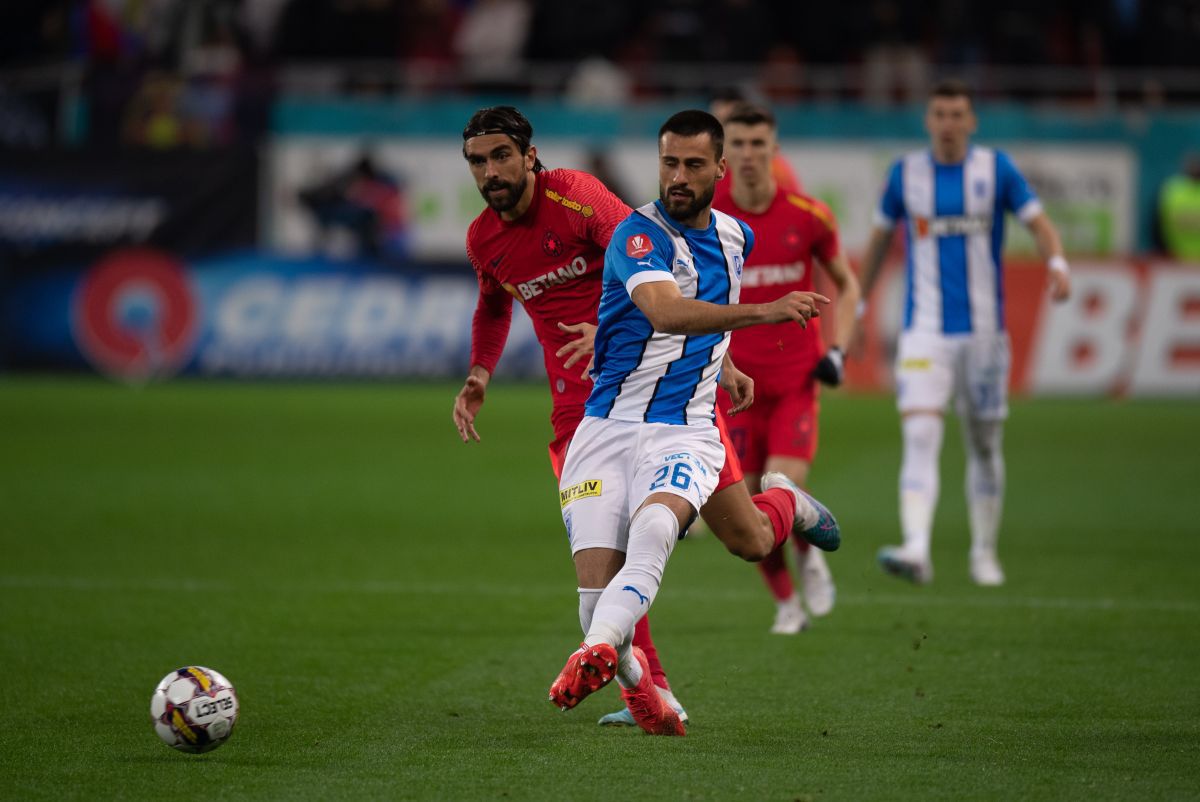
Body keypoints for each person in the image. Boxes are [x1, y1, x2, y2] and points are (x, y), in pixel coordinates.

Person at [453, 106, 837, 733]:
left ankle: (785, 501)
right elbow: (493, 306)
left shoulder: (578, 198)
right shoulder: (482, 240)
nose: (490, 171)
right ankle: (651, 696)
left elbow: (658, 270)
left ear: (529, 156)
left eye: (500, 156)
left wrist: (636, 337)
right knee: (609, 569)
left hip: (675, 401)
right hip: (583, 413)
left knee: (747, 540)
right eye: (477, 161)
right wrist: (479, 374)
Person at [859, 79, 1071, 586]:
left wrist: (1057, 263)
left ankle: (983, 552)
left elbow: (1039, 223)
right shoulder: (904, 174)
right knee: (920, 434)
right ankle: (916, 548)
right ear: (928, 121)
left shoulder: (996, 170)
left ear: (972, 121)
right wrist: (860, 303)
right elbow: (878, 241)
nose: (948, 123)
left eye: (957, 114)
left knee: (984, 444)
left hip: (984, 335)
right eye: (940, 114)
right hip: (924, 332)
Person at [712, 103, 861, 633]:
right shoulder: (708, 216)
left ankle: (808, 553)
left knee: (779, 483)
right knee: (750, 506)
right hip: (733, 386)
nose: (749, 154)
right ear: (724, 154)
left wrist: (838, 350)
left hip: (796, 379)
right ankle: (786, 604)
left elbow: (847, 285)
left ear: (775, 150)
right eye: (739, 144)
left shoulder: (808, 215)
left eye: (759, 144)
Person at [1158, 153, 1200, 262]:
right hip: (1176, 256)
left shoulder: (1172, 189)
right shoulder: (1173, 189)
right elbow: (1159, 222)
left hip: (1178, 256)